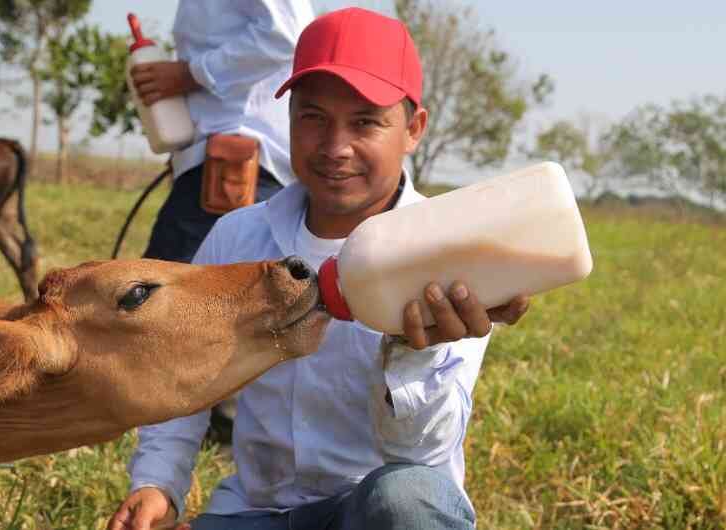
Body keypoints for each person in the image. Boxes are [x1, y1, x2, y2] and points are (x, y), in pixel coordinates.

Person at [109, 7, 531, 530]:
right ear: (286, 119)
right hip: (259, 511)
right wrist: (158, 484)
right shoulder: (238, 237)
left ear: (413, 129)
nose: (335, 148)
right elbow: (181, 375)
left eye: (365, 122)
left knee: (408, 501)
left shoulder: (445, 253)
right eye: (313, 117)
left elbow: (420, 458)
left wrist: (415, 354)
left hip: (372, 510)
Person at [130, 0, 315, 443]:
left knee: (152, 295)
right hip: (221, 153)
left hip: (236, 155)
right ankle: (218, 424)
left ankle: (159, 423)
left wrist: (187, 74)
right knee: (233, 293)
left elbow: (285, 34)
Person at [130, 0, 314, 263]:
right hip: (219, 164)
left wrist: (189, 74)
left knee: (162, 296)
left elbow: (285, 34)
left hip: (235, 167)